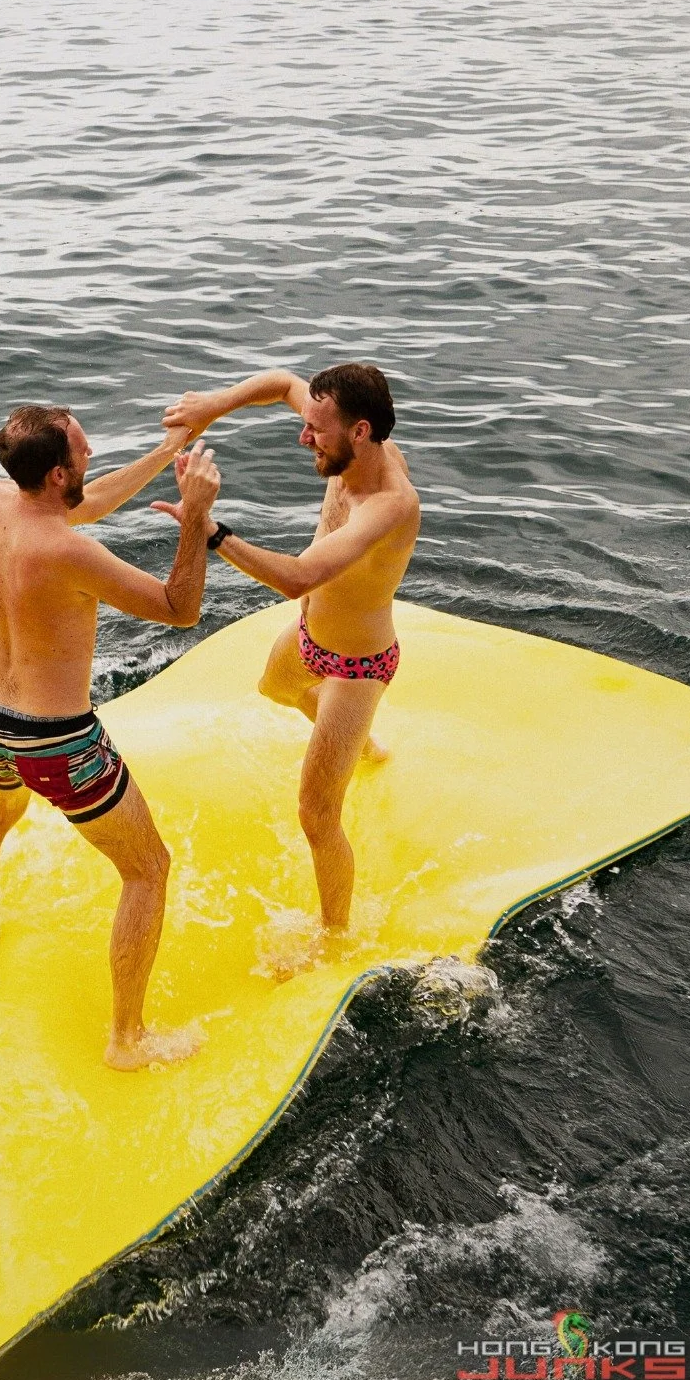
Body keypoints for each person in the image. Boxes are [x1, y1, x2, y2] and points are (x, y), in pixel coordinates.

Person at [0, 407, 221, 1070]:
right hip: (56, 743)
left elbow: (84, 504)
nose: (92, 452)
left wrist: (166, 451)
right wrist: (195, 517)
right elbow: (180, 609)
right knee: (147, 871)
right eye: (82, 449)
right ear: (56, 474)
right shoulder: (70, 552)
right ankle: (126, 1039)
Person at [160, 364, 419, 953]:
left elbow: (299, 577)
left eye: (316, 432)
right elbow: (281, 382)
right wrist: (213, 405)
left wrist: (209, 529)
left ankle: (335, 936)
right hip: (309, 637)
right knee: (274, 688)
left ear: (360, 432)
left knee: (316, 815)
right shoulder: (343, 440)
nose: (304, 438)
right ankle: (361, 744)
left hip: (356, 667)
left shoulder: (389, 505)